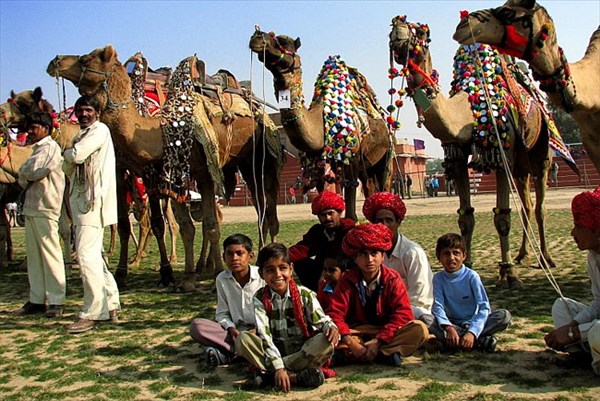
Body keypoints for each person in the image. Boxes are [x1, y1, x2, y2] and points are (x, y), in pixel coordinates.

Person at [236, 243, 339, 393]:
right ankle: (296, 376)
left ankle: (271, 375)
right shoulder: (260, 298)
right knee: (242, 340)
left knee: (325, 340)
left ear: (291, 268)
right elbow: (265, 335)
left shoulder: (304, 294)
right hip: (273, 351)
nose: (277, 275)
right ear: (261, 274)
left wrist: (331, 327)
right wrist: (278, 365)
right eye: (270, 270)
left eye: (282, 268)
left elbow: (321, 320)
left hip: (302, 352)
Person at [327, 223, 430, 367]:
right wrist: (350, 341)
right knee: (325, 336)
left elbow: (402, 314)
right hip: (357, 332)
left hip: (385, 331)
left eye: (374, 253)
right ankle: (383, 354)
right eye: (363, 254)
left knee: (419, 330)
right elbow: (335, 313)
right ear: (355, 258)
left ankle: (360, 354)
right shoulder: (347, 280)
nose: (369, 260)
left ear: (383, 256)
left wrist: (379, 340)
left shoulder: (392, 278)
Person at [62, 96, 120, 334]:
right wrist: (70, 154)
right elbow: (68, 165)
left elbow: (74, 157)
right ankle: (111, 302)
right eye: (80, 110)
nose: (83, 114)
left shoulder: (99, 131)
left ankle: (93, 312)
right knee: (93, 255)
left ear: (97, 112)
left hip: (92, 202)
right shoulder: (81, 135)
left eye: (88, 110)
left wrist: (68, 153)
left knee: (85, 257)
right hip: (82, 199)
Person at [13, 112, 66, 318]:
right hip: (33, 206)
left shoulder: (50, 148)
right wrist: (25, 173)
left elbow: (33, 171)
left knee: (50, 254)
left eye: (34, 127)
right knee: (34, 256)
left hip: (46, 205)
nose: (30, 131)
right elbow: (25, 171)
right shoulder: (37, 149)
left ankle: (56, 300)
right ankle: (36, 299)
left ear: (46, 128)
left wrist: (24, 173)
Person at [544, 187, 600, 375]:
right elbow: (598, 304)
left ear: (597, 231)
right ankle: (579, 356)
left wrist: (572, 333)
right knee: (561, 306)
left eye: (579, 226)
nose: (572, 233)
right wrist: (572, 325)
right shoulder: (593, 257)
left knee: (597, 332)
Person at [189, 234, 265, 367]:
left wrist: (257, 329)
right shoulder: (222, 279)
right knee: (197, 326)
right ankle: (242, 351)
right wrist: (230, 328)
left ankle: (228, 354)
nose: (234, 258)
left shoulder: (262, 277)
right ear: (224, 257)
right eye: (229, 254)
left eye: (239, 253)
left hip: (261, 331)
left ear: (250, 256)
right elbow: (222, 313)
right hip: (235, 332)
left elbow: (272, 311)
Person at [362, 192, 434, 327]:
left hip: (410, 310)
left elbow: (420, 297)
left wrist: (394, 311)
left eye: (389, 220)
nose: (383, 226)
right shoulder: (370, 254)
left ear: (398, 222)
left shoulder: (412, 253)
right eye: (379, 221)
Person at [430, 233, 512, 353]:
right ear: (439, 257)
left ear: (464, 256)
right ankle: (478, 342)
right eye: (446, 253)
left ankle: (462, 341)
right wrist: (449, 328)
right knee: (426, 318)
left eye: (456, 253)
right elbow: (438, 306)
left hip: (472, 322)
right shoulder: (438, 278)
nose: (451, 258)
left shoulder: (471, 276)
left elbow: (483, 307)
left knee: (504, 316)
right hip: (452, 324)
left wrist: (472, 332)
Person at [288, 190, 355, 291]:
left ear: (339, 213)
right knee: (300, 261)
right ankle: (316, 291)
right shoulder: (318, 231)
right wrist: (279, 256)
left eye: (330, 213)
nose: (327, 218)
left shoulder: (349, 230)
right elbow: (302, 249)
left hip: (344, 273)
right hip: (322, 272)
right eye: (323, 215)